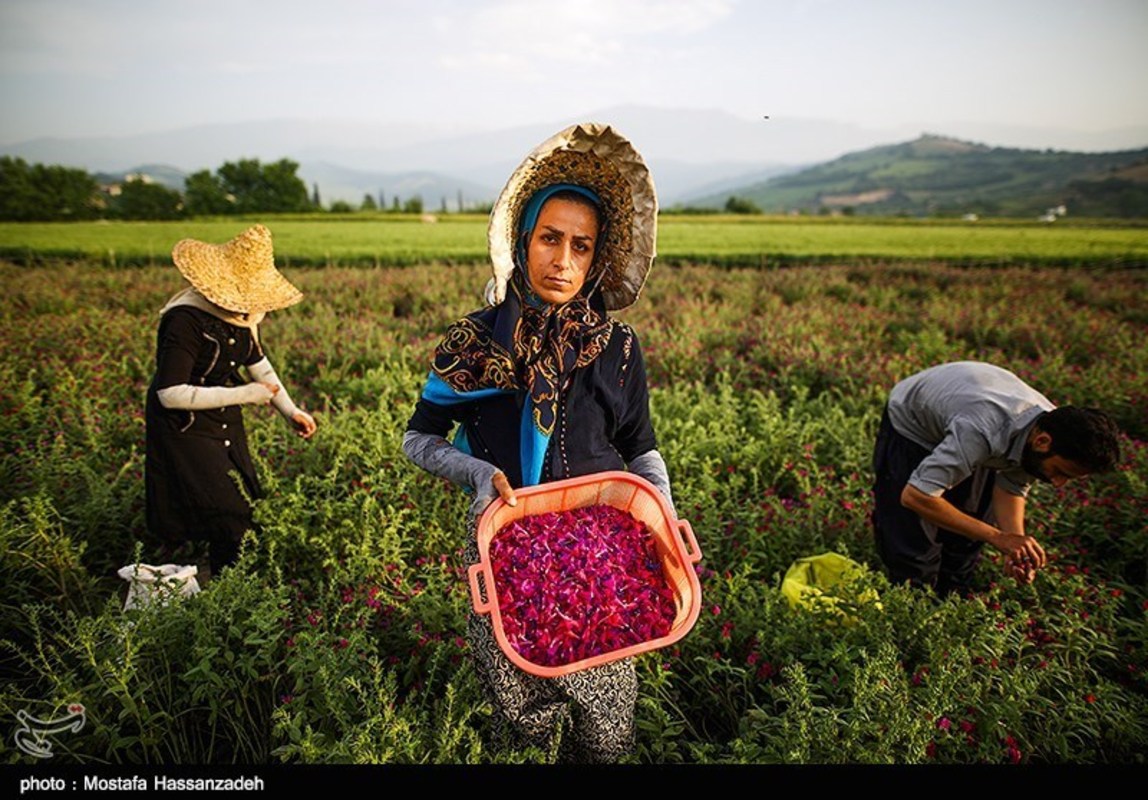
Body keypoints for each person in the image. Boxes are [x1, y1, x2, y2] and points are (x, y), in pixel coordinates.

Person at [402, 123, 672, 763]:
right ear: (523, 243)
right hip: (506, 540)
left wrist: (661, 515)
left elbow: (640, 447)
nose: (564, 261)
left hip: (602, 549)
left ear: (597, 257)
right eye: (550, 239)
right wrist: (474, 474)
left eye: (582, 246)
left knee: (607, 724)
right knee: (522, 717)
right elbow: (419, 437)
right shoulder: (475, 341)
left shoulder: (617, 347)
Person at [145, 224, 317, 577]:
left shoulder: (242, 316)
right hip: (185, 427)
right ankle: (219, 588)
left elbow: (260, 366)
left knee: (244, 502)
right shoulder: (184, 321)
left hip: (223, 421)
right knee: (225, 512)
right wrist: (245, 395)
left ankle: (226, 583)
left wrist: (290, 410)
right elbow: (170, 394)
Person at [871, 360, 1121, 596]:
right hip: (915, 424)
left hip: (970, 417)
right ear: (1042, 442)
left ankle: (949, 604)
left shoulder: (1050, 430)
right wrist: (998, 537)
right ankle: (911, 608)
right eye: (1060, 472)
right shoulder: (982, 431)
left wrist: (1016, 548)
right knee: (913, 546)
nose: (1057, 483)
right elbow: (916, 496)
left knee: (965, 538)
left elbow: (1012, 486)